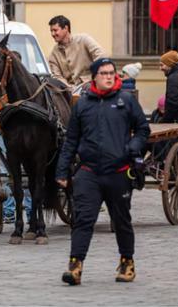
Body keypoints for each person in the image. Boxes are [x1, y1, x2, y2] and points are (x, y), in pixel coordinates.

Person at [56, 58, 150, 286]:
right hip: (88, 172)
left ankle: (127, 262)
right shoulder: (82, 104)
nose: (109, 77)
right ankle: (75, 266)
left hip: (118, 172)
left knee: (121, 220)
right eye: (104, 73)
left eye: (112, 73)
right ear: (94, 77)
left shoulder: (126, 101)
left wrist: (132, 147)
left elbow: (142, 130)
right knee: (83, 220)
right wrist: (62, 171)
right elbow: (71, 140)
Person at [48, 15, 106, 88]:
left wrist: (95, 77)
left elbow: (101, 56)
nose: (52, 34)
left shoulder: (83, 39)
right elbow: (57, 76)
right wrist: (69, 89)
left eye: (55, 30)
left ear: (66, 28)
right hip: (68, 91)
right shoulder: (54, 53)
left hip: (91, 85)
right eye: (51, 31)